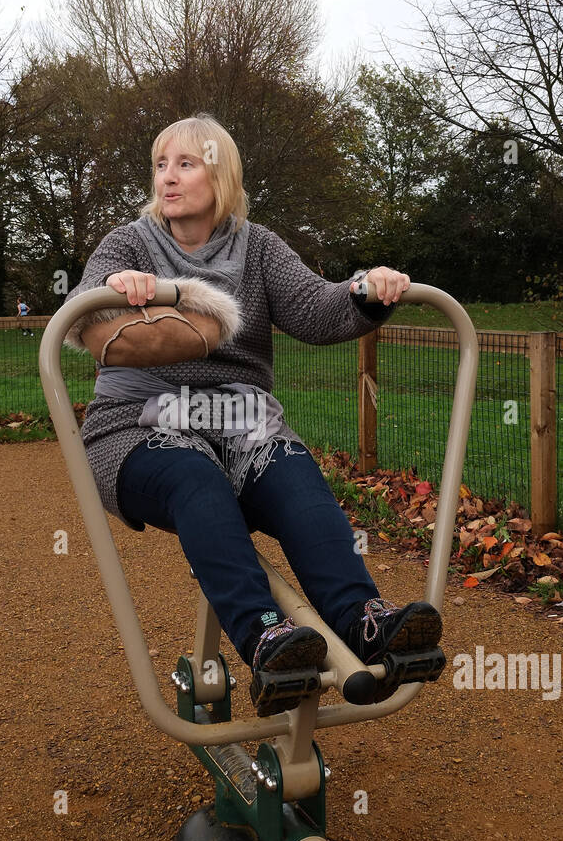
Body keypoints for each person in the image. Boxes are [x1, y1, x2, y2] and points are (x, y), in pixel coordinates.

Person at [64, 114, 442, 716]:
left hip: (242, 422)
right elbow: (82, 311)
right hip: (140, 423)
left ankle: (364, 619)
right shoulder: (129, 243)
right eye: (161, 165)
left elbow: (317, 309)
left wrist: (367, 287)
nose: (169, 177)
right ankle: (266, 636)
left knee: (297, 478)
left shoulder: (258, 246)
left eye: (186, 164)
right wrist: (120, 284)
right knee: (194, 477)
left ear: (220, 173)